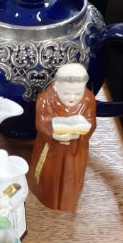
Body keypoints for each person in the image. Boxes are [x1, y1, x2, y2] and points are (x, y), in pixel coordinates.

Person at [28, 63, 96, 211]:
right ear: (57, 85)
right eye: (67, 93)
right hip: (51, 148)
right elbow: (41, 123)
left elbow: (91, 122)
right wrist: (53, 133)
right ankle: (45, 195)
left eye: (78, 93)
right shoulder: (45, 99)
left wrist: (81, 132)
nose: (72, 98)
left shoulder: (88, 99)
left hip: (75, 150)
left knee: (71, 179)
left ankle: (68, 199)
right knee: (48, 177)